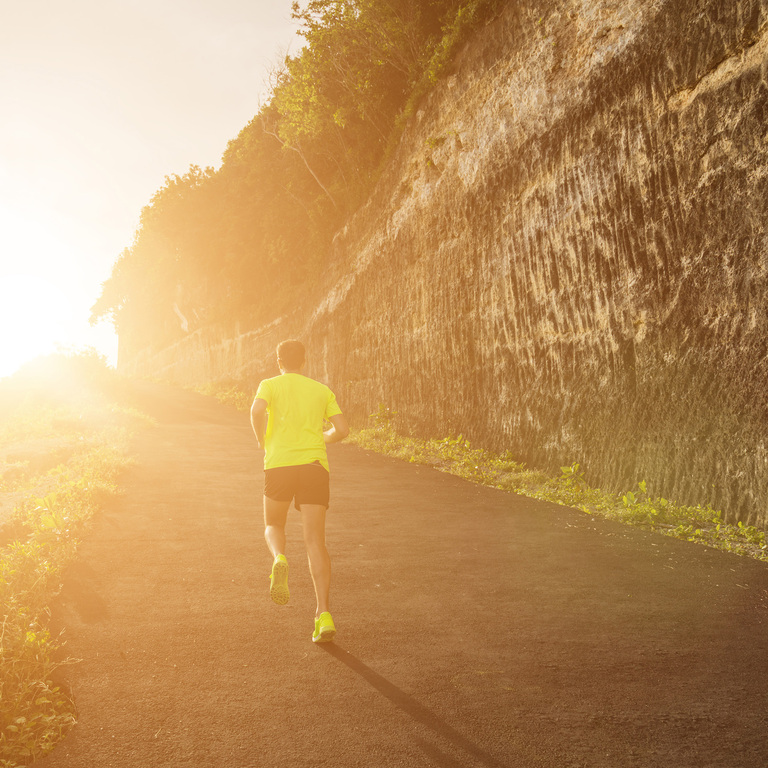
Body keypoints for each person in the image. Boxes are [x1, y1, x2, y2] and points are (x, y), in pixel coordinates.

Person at [250, 339, 349, 643]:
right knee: (315, 541)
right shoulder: (321, 390)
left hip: (279, 464)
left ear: (278, 360)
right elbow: (343, 430)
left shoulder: (269, 384)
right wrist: (326, 437)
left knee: (273, 524)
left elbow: (257, 410)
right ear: (304, 361)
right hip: (314, 467)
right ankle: (323, 613)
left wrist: (261, 440)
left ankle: (279, 558)